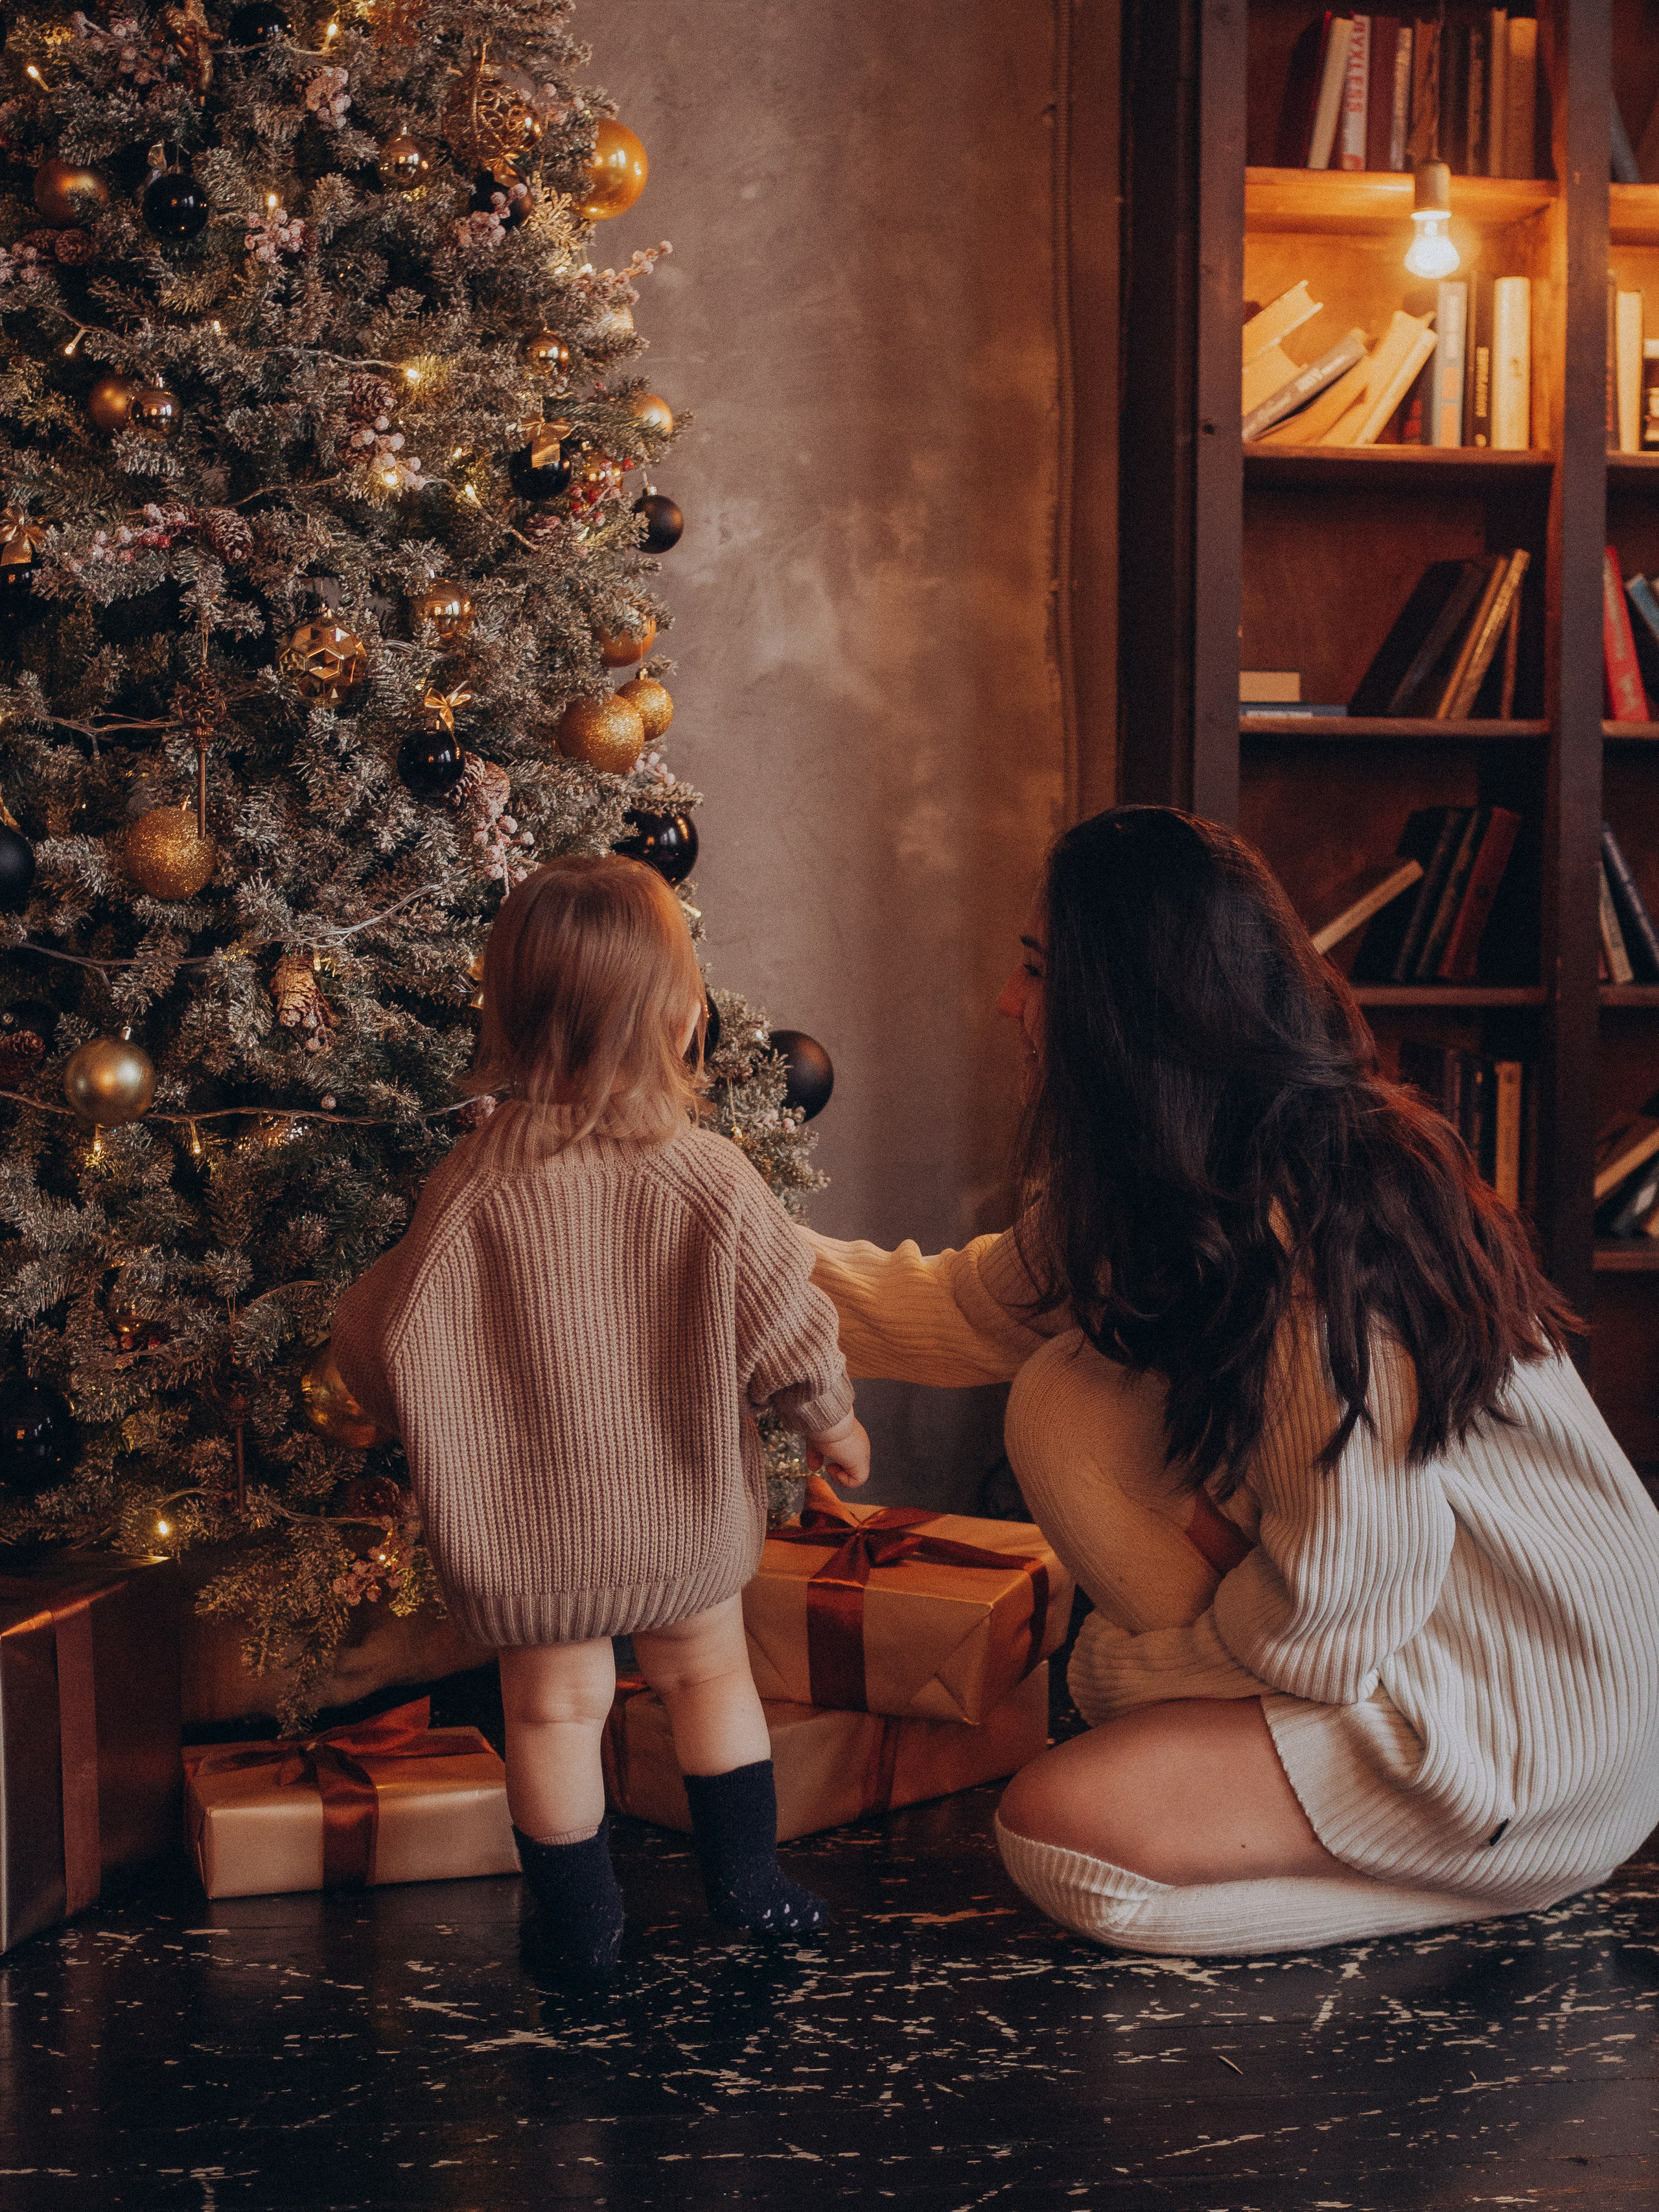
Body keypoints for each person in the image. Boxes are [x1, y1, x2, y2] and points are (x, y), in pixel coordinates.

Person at [805, 806, 1659, 1956]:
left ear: (1129, 1008)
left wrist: (1122, 1671)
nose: (1012, 1001)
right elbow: (961, 1311)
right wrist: (709, 1225)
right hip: (1421, 1651)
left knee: (1057, 1832)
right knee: (1061, 1393)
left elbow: (1333, 1612)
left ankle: (1498, 1863)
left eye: (1037, 968)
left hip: (1532, 1715)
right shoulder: (1170, 1176)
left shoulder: (1320, 1222)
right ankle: (1475, 1863)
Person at [330, 856, 870, 1982]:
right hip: (681, 1520)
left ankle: (581, 1929)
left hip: (534, 1543)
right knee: (712, 1681)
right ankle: (749, 1887)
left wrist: (400, 1411)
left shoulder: (471, 1185)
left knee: (552, 1717)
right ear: (680, 1018)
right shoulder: (709, 1176)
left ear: (510, 1015)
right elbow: (788, 1326)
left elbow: (383, 1334)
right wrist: (833, 1421)